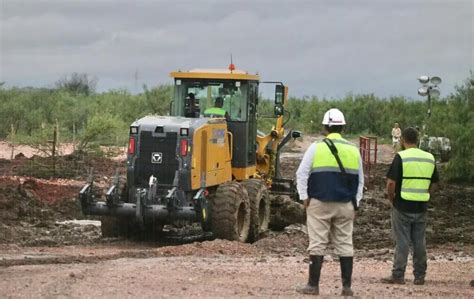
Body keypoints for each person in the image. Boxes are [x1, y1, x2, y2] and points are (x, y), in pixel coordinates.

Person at [295, 108, 364, 296]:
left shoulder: (316, 147)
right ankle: (347, 287)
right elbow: (360, 179)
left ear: (325, 127)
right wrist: (355, 202)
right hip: (346, 204)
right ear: (342, 127)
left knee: (317, 243)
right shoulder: (353, 150)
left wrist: (304, 197)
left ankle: (313, 285)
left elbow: (301, 173)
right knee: (345, 243)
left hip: (319, 202)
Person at [382, 127, 439, 285]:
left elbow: (391, 182)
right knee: (419, 241)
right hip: (421, 205)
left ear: (402, 140)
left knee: (402, 241)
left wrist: (391, 198)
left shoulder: (401, 157)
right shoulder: (429, 157)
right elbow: (435, 182)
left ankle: (398, 274)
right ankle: (420, 275)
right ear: (418, 139)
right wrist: (426, 194)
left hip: (402, 205)